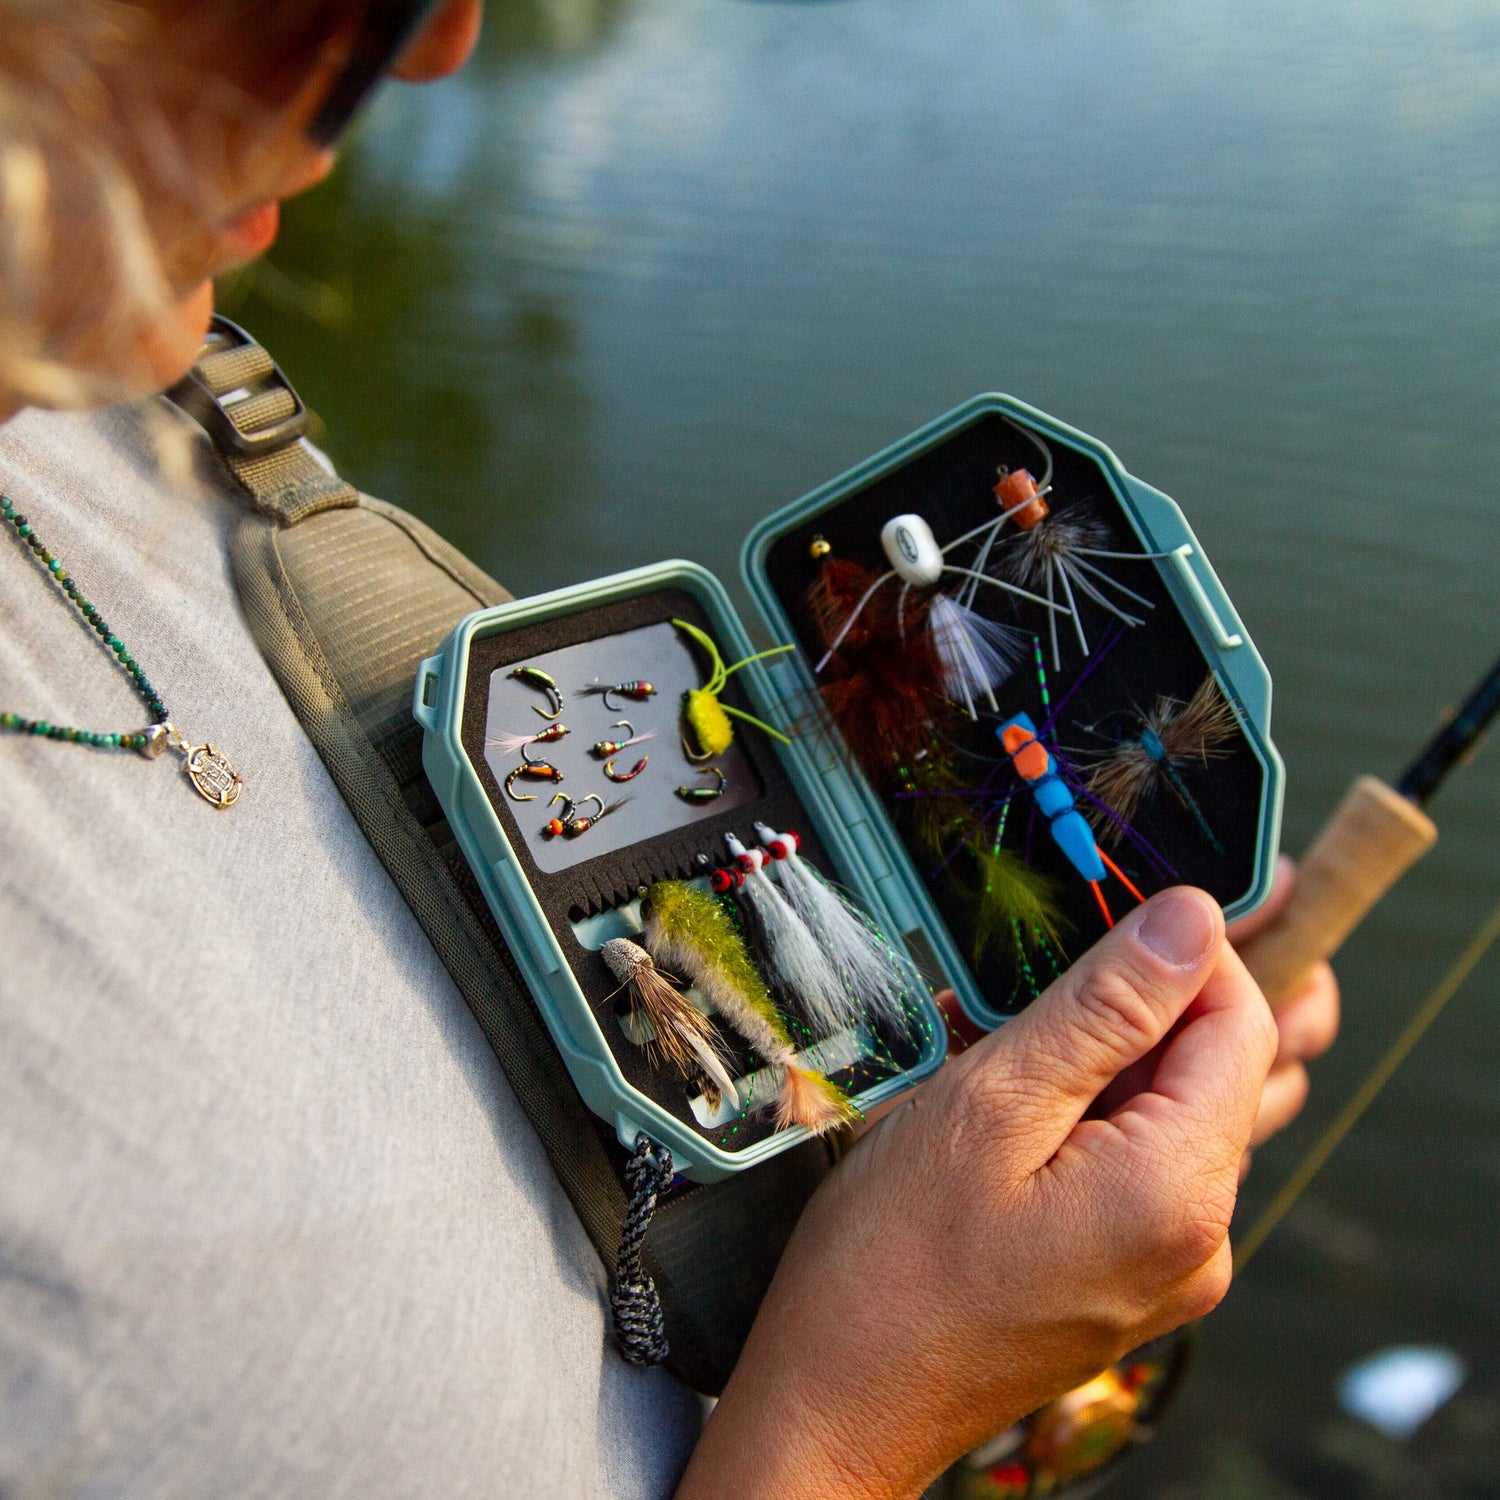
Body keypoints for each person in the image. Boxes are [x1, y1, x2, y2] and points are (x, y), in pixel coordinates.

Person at [0, 4, 1339, 1496]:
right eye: (324, 12)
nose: (446, 42)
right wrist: (859, 1420)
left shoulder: (110, 377)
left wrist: (954, 1134)